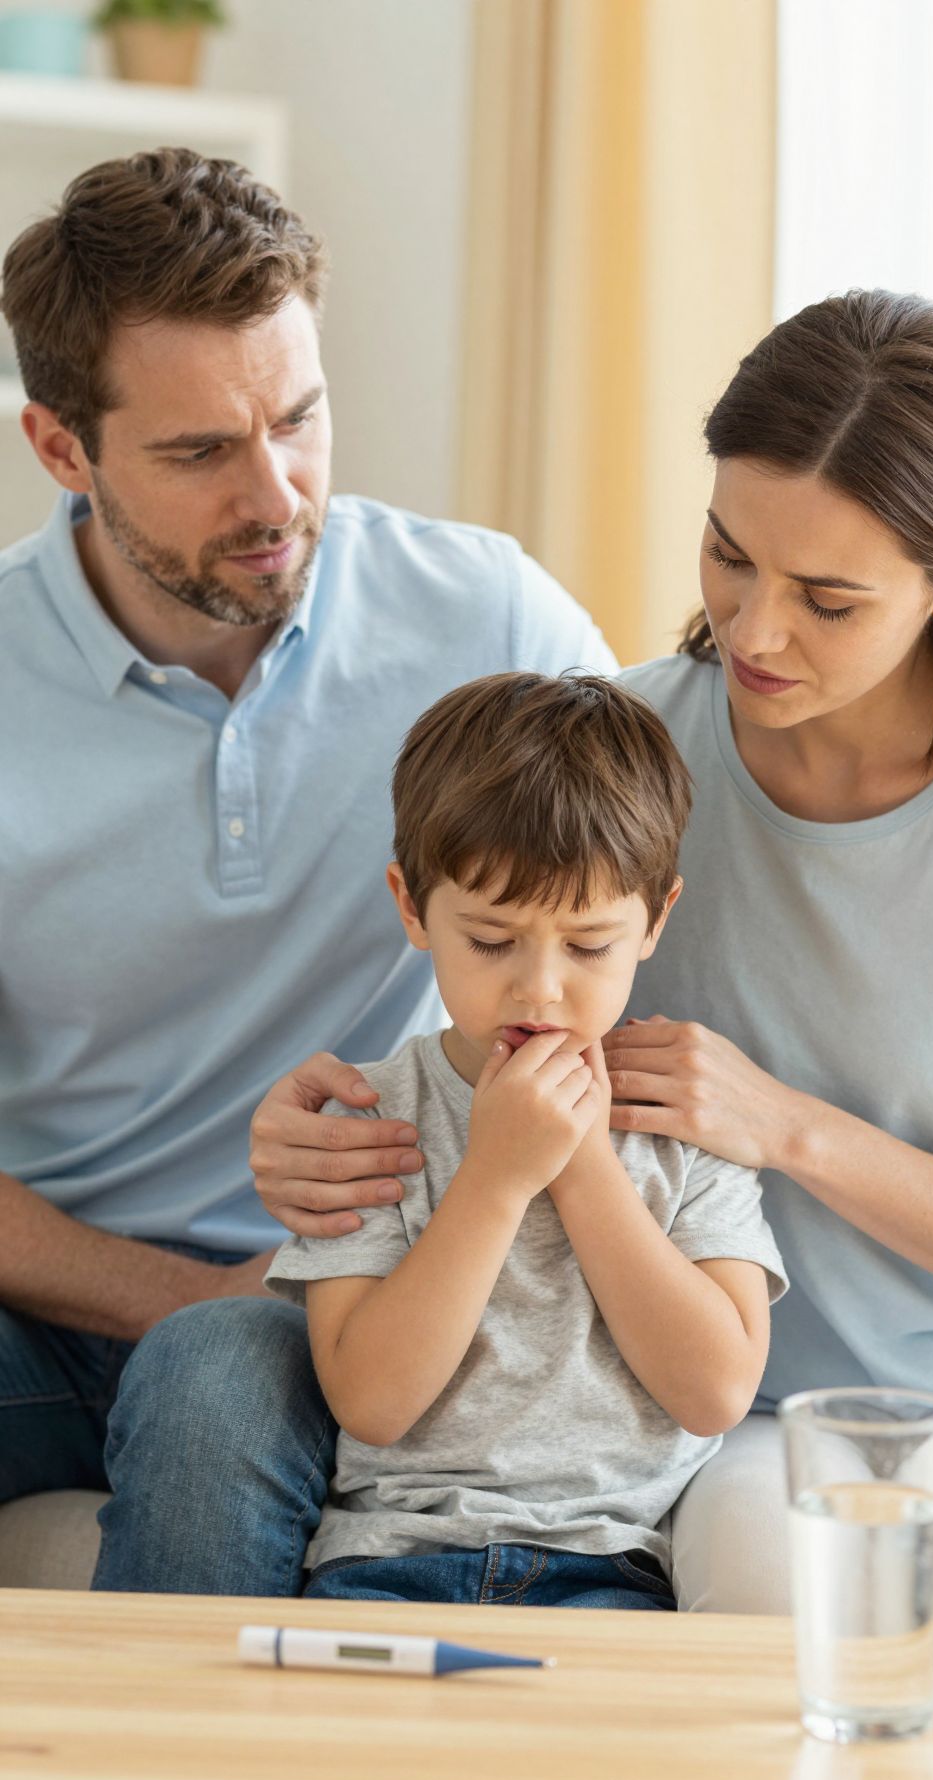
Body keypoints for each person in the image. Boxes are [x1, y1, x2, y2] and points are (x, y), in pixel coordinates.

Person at [224, 292, 933, 1780]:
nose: (751, 627)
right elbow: (465, 992)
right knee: (741, 1564)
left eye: (826, 597)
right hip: (754, 1405)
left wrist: (782, 1122)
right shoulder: (643, 745)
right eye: (728, 558)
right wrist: (302, 1129)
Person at [0, 145, 610, 1517]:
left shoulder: (486, 620)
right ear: (61, 447)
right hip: (46, 1295)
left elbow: (663, 869)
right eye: (200, 451)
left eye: (299, 419)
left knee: (217, 1390)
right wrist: (183, 1292)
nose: (274, 495)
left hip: (335, 1284)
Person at [191, 670, 785, 1780]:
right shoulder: (376, 1119)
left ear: (657, 922)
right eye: (492, 939)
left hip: (606, 1592)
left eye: (587, 944)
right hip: (380, 1573)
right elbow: (377, 1399)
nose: (538, 990)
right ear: (413, 912)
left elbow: (711, 1386)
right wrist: (493, 1183)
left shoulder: (680, 1124)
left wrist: (582, 1173)